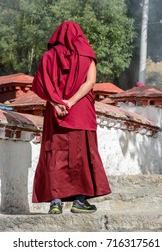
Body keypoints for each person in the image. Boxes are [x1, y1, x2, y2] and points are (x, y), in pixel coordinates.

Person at [32, 21, 111, 214]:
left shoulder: (49, 56)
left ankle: (56, 202)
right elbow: (90, 82)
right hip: (80, 111)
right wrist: (71, 102)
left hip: (56, 112)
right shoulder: (86, 54)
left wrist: (56, 103)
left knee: (56, 154)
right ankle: (79, 201)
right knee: (81, 154)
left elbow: (41, 84)